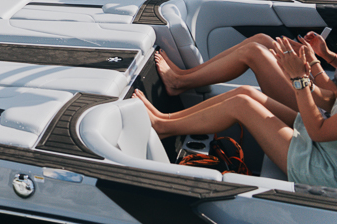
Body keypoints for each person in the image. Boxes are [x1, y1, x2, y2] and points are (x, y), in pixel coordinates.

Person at [135, 37, 337, 186]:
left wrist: (300, 80)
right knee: (245, 92)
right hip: (325, 138)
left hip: (323, 167)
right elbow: (332, 99)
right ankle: (166, 118)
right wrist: (314, 64)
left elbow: (317, 132)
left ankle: (162, 127)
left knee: (241, 104)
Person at [155, 31, 337, 111]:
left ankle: (178, 82)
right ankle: (184, 76)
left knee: (253, 52)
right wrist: (327, 55)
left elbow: (331, 98)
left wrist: (313, 62)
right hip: (324, 92)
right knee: (262, 40)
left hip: (319, 108)